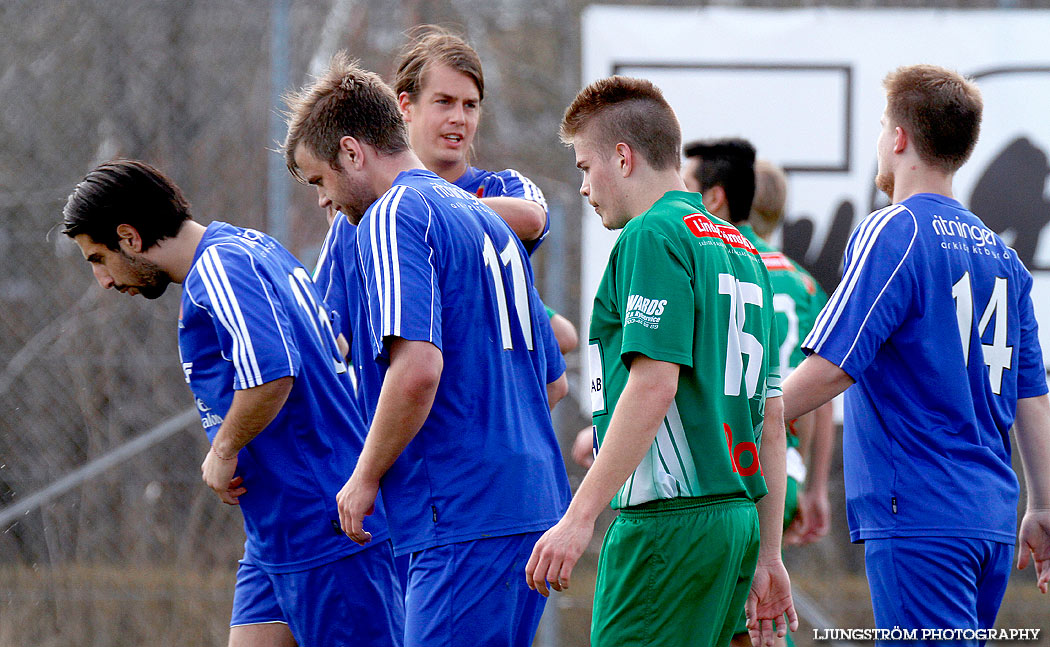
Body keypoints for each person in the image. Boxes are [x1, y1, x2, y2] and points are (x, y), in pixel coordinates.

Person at [283, 54, 571, 647]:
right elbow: (553, 379)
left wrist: (364, 477)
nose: (322, 201)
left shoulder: (393, 215)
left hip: (461, 516)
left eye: (320, 180)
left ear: (351, 152)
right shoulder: (488, 220)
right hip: (529, 505)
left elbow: (416, 370)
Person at [61, 160, 404, 647]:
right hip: (274, 533)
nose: (104, 279)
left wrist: (223, 450)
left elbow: (273, 373)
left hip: (324, 528)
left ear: (129, 237)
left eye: (98, 258)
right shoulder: (251, 246)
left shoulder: (218, 268)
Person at [524, 75, 797, 647]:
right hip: (738, 518)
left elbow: (653, 386)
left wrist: (578, 518)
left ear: (621, 158)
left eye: (582, 166)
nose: (582, 186)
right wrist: (768, 553)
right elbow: (771, 415)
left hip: (667, 522)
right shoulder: (743, 248)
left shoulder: (652, 234)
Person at [781, 64, 1050, 643]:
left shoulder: (893, 230)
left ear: (899, 138)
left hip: (922, 513)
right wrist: (1044, 505)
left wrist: (748, 413)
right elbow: (1033, 397)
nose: (880, 140)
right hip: (992, 519)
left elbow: (831, 367)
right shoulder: (1004, 259)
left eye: (882, 127)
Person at [682, 139, 833, 647]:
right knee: (757, 609)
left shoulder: (718, 263)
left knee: (730, 617)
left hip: (730, 468)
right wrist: (808, 482)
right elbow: (822, 392)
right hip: (783, 464)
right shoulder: (806, 285)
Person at [393, 24, 578, 356]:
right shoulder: (376, 207)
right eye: (444, 102)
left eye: (470, 105)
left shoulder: (504, 187)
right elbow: (338, 334)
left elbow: (532, 218)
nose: (459, 118)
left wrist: (429, 205)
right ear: (406, 105)